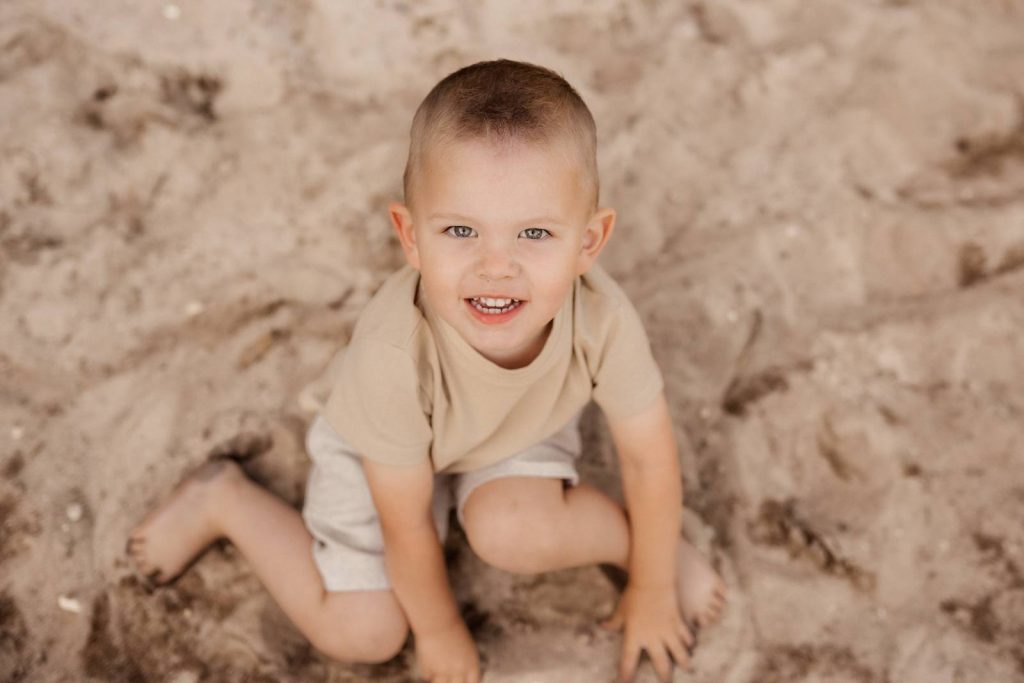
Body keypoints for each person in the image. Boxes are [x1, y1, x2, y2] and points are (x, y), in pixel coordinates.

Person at [127, 59, 726, 683]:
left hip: (508, 429)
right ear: (411, 237)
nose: (498, 267)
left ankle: (651, 551)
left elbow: (649, 459)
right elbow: (405, 521)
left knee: (511, 531)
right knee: (365, 632)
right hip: (382, 453)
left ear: (589, 242)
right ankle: (222, 498)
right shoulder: (393, 357)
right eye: (461, 230)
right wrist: (440, 630)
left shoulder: (602, 316)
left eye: (536, 233)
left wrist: (653, 586)